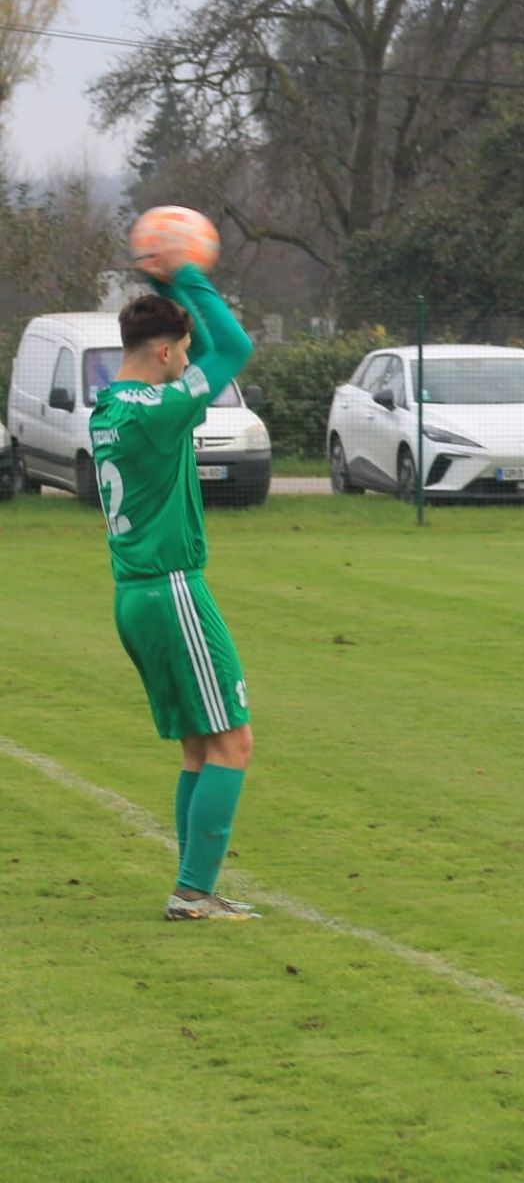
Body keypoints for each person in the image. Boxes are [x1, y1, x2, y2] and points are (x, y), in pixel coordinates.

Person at [91, 250, 259, 919]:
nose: (194, 365)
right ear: (162, 354)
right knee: (234, 741)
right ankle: (193, 892)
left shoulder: (111, 406)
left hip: (135, 594)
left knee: (200, 743)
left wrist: (165, 290)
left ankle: (196, 887)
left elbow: (214, 349)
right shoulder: (162, 409)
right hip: (172, 589)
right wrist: (187, 277)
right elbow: (237, 346)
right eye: (184, 353)